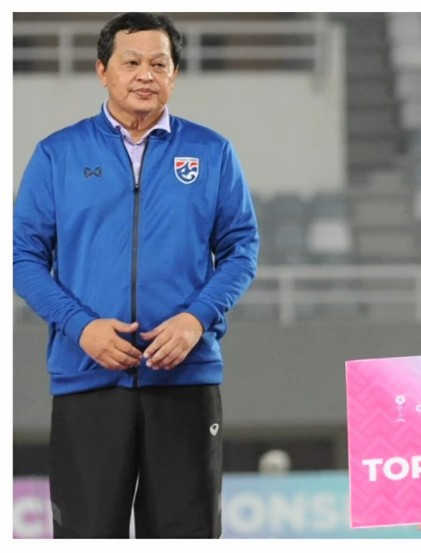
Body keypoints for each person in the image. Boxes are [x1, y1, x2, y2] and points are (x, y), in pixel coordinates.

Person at [13, 12, 259, 538]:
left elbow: (242, 249)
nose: (145, 74)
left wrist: (195, 319)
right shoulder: (58, 154)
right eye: (132, 62)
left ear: (173, 75)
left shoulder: (212, 152)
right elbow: (22, 258)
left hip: (186, 380)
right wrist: (81, 327)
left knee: (185, 535)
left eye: (159, 63)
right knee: (88, 535)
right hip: (87, 379)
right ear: (103, 70)